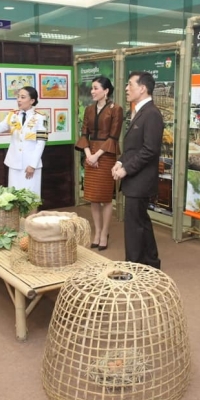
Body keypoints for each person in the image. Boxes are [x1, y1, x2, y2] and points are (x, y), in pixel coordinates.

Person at [112, 71, 163, 269]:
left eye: (130, 84)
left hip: (141, 179)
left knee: (134, 225)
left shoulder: (151, 114)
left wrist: (126, 169)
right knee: (140, 222)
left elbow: (150, 150)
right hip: (135, 177)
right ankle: (150, 262)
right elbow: (133, 146)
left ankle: (133, 267)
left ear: (142, 88)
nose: (126, 88)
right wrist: (120, 162)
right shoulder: (139, 111)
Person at [75, 76, 123, 251]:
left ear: (106, 90)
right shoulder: (88, 109)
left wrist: (97, 156)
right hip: (90, 153)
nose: (92, 91)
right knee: (93, 198)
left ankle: (104, 234)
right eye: (92, 88)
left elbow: (113, 137)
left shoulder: (116, 109)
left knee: (105, 198)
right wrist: (89, 154)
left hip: (106, 154)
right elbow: (84, 134)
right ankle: (97, 232)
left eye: (96, 88)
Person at [0, 86, 48, 196]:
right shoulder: (13, 115)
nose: (19, 100)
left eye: (23, 97)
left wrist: (33, 165)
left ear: (32, 100)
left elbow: (41, 143)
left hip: (30, 165)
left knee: (31, 196)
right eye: (18, 97)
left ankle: (32, 214)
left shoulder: (40, 118)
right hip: (14, 163)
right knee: (14, 196)